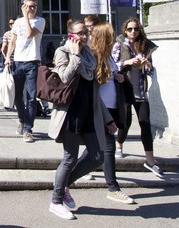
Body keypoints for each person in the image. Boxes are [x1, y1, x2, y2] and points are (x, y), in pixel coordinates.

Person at [48, 20, 116, 220]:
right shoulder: (63, 51)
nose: (84, 36)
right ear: (70, 35)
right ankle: (56, 201)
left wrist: (108, 119)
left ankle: (64, 184)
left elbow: (94, 92)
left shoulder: (90, 55)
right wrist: (75, 55)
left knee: (97, 155)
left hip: (88, 113)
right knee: (69, 158)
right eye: (79, 33)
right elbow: (64, 77)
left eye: (86, 32)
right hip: (70, 114)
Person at [90, 23, 135, 205]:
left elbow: (113, 77)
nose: (114, 37)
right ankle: (113, 188)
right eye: (111, 35)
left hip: (114, 106)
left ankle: (64, 179)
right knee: (108, 147)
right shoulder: (95, 57)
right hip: (103, 108)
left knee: (95, 149)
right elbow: (93, 85)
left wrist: (120, 77)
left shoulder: (108, 57)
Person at [113, 18, 164, 177]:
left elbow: (151, 71)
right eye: (130, 29)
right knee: (125, 122)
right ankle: (119, 144)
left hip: (141, 91)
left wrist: (147, 65)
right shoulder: (120, 45)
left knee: (145, 124)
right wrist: (128, 61)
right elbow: (113, 66)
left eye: (135, 29)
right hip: (125, 89)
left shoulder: (145, 47)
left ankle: (150, 160)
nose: (133, 32)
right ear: (125, 31)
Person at [4, 0, 46, 143]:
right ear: (24, 6)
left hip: (32, 63)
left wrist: (26, 17)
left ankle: (28, 129)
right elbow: (13, 40)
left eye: (33, 6)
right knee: (17, 97)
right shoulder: (17, 22)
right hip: (18, 62)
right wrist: (8, 56)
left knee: (31, 97)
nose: (31, 9)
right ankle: (22, 120)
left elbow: (29, 34)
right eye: (28, 6)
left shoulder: (40, 21)